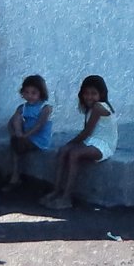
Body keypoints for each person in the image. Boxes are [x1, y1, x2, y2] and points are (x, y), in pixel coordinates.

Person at [40, 75, 117, 209]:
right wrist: (68, 145)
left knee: (73, 153)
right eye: (86, 93)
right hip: (92, 141)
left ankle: (66, 197)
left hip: (104, 145)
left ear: (102, 94)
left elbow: (86, 132)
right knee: (63, 151)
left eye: (94, 93)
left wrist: (71, 143)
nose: (89, 97)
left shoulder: (99, 107)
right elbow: (87, 134)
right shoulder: (90, 108)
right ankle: (56, 190)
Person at [3, 74, 54, 191]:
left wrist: (25, 136)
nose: (29, 96)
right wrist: (14, 134)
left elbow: (39, 125)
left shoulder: (45, 108)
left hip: (39, 139)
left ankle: (15, 177)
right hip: (24, 136)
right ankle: (15, 175)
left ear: (41, 93)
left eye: (33, 93)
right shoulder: (23, 107)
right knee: (17, 119)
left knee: (17, 144)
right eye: (26, 92)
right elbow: (11, 123)